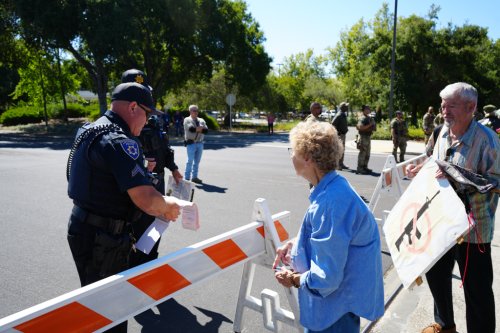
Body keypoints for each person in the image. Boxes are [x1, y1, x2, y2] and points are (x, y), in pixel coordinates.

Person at [66, 82, 181, 333]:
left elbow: (100, 176)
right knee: (111, 312)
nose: (148, 120)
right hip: (103, 238)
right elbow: (146, 199)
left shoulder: (90, 129)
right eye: (147, 113)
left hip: (85, 225)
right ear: (132, 107)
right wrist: (168, 206)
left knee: (95, 303)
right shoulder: (119, 140)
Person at [406, 82, 500, 333]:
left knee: (477, 291)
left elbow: (496, 184)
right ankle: (445, 325)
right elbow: (431, 159)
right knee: (436, 275)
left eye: (451, 106)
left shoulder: (488, 141)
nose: (444, 111)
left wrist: (456, 175)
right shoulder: (440, 132)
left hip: (473, 230)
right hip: (440, 222)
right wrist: (419, 168)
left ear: (471, 107)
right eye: (442, 105)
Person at [273, 121, 384, 333]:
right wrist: (296, 244)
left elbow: (327, 278)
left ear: (307, 157)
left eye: (293, 151)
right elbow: (336, 240)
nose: (291, 156)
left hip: (334, 313)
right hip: (340, 309)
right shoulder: (336, 187)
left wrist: (293, 279)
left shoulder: (330, 202)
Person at [184, 104, 208, 184]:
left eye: (197, 110)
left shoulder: (201, 120)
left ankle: (194, 177)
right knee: (190, 161)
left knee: (197, 161)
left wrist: (198, 129)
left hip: (200, 143)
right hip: (191, 143)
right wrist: (200, 129)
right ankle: (186, 178)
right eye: (194, 110)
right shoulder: (187, 119)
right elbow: (191, 129)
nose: (196, 112)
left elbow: (206, 131)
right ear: (190, 111)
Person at [356, 105, 376, 174]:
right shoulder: (362, 118)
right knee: (363, 153)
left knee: (367, 153)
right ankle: (360, 168)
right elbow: (360, 127)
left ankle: (365, 167)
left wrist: (372, 126)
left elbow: (374, 128)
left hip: (368, 137)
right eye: (367, 108)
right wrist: (370, 125)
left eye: (369, 108)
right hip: (363, 137)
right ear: (364, 110)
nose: (369, 110)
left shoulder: (368, 118)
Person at [332, 101, 349, 169]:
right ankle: (338, 165)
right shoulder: (339, 115)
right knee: (339, 150)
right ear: (343, 107)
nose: (347, 107)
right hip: (340, 135)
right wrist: (337, 133)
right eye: (346, 106)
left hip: (343, 135)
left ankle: (341, 163)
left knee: (342, 150)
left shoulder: (343, 114)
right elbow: (333, 124)